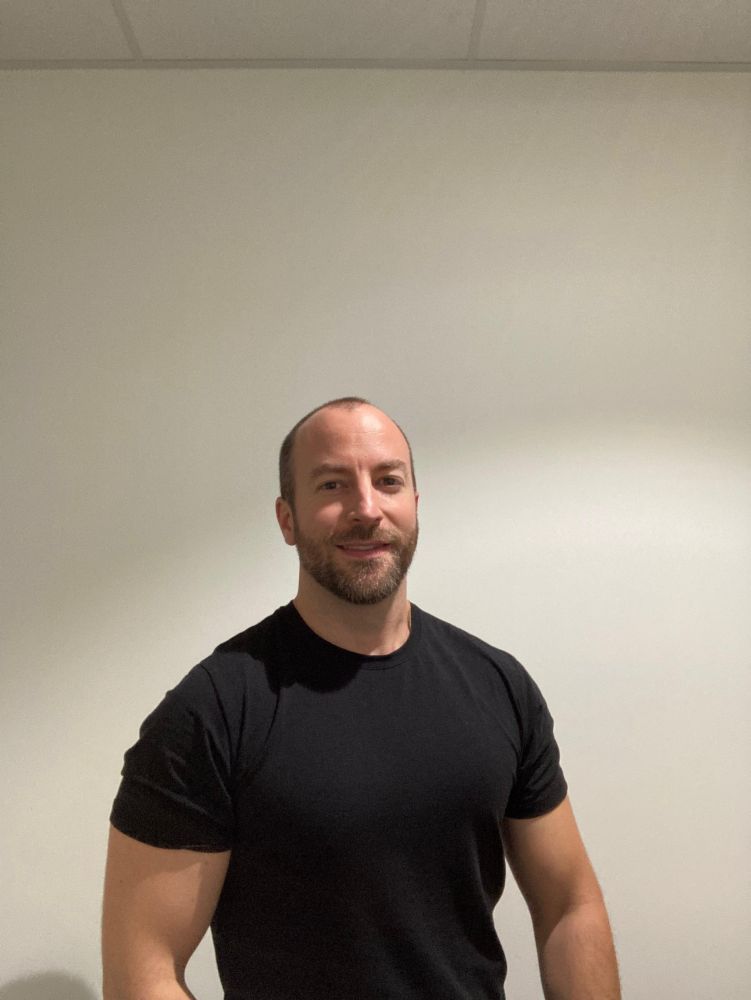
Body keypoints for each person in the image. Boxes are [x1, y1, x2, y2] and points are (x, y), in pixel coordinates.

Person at [102, 396, 620, 1000]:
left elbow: (570, 906)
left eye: (388, 481)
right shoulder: (213, 710)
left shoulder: (499, 686)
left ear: (415, 505)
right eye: (332, 485)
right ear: (287, 519)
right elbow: (144, 973)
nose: (366, 509)